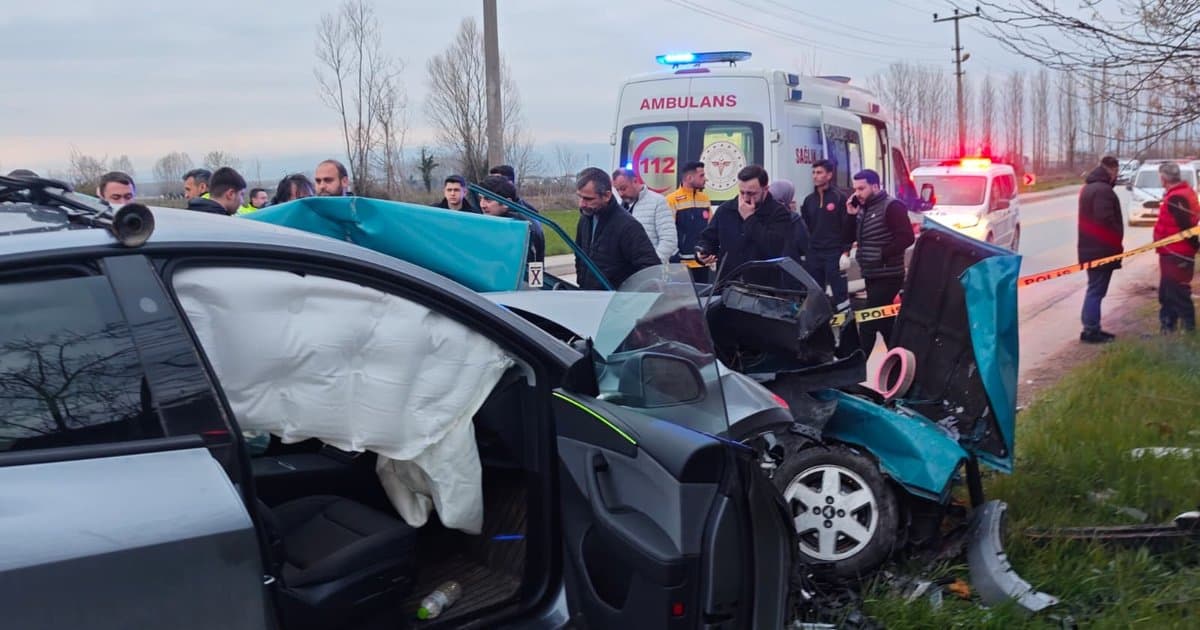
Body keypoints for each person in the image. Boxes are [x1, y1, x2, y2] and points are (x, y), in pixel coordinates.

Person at [845, 169, 915, 347]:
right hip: (871, 273)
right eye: (855, 189)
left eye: (861, 189)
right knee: (885, 322)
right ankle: (898, 357)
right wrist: (851, 216)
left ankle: (860, 362)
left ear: (875, 186)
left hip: (889, 275)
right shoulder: (864, 208)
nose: (857, 194)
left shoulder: (892, 206)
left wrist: (882, 254)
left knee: (868, 322)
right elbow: (851, 237)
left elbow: (907, 237)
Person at [696, 165, 794, 284]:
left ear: (765, 189)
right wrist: (702, 252)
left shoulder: (779, 213)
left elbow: (774, 247)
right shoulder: (726, 210)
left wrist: (749, 218)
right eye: (742, 192)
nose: (746, 198)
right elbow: (708, 238)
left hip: (763, 286)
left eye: (751, 193)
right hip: (728, 284)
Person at [574, 167, 661, 290]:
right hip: (589, 297)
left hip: (615, 299)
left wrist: (626, 296)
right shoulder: (585, 219)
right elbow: (580, 256)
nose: (581, 204)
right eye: (580, 197)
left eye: (588, 199)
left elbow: (651, 269)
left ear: (607, 196)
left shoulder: (628, 226)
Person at [1077, 156, 1124, 343]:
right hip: (1101, 250)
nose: (1117, 176)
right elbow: (1104, 220)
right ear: (1112, 170)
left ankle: (1092, 327)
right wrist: (1116, 241)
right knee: (1096, 291)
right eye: (1116, 172)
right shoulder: (1103, 191)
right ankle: (1091, 330)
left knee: (1094, 289)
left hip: (1090, 248)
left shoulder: (1090, 187)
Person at [801, 159, 856, 307]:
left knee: (840, 294)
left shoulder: (839, 197)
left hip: (834, 253)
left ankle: (845, 318)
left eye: (819, 172)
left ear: (829, 175)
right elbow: (806, 227)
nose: (815, 176)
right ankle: (820, 320)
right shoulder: (808, 200)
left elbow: (847, 226)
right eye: (813, 172)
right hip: (814, 253)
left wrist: (846, 251)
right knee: (815, 293)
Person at [1153, 161, 1199, 333]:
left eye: (1160, 177)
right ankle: (1167, 328)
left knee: (1178, 292)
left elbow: (1187, 227)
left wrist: (1193, 247)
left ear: (1164, 178)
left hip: (1177, 253)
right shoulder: (1180, 193)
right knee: (1166, 293)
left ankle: (1189, 330)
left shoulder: (1177, 197)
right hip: (1170, 252)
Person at [612, 168, 677, 263]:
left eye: (623, 188)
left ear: (635, 181)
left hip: (651, 268)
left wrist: (653, 264)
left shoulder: (658, 201)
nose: (620, 194)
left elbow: (669, 240)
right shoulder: (620, 207)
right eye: (617, 190)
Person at [477, 174, 544, 265]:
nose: (482, 205)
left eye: (488, 200)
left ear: (506, 203)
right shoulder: (500, 221)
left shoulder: (522, 228)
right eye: (480, 198)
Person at [666, 161, 713, 281]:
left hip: (702, 262)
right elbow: (668, 232)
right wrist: (674, 258)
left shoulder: (705, 199)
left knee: (702, 293)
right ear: (689, 178)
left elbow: (711, 229)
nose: (705, 179)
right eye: (701, 175)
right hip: (680, 265)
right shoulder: (672, 200)